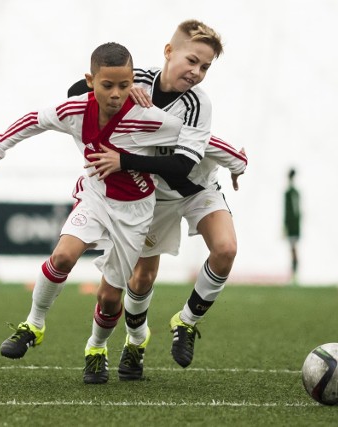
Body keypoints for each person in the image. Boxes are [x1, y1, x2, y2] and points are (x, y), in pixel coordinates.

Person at [0, 42, 201, 385]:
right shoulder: (74, 111)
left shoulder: (148, 119)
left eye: (125, 85)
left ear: (134, 82)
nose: (116, 94)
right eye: (108, 85)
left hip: (135, 213)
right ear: (90, 80)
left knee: (111, 295)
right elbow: (32, 120)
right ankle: (34, 324)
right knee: (63, 256)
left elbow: (199, 141)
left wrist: (236, 161)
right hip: (95, 199)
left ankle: (96, 348)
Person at [78, 20, 245, 378]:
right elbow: (79, 90)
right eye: (192, 60)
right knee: (141, 280)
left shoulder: (199, 104)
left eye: (205, 67)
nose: (197, 72)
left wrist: (123, 160)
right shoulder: (134, 78)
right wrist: (121, 93)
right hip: (154, 197)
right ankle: (135, 344)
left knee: (226, 249)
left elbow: (184, 164)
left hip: (195, 189)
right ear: (169, 52)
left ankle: (186, 322)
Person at [283, 168, 301, 284]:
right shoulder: (294, 193)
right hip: (295, 225)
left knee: (293, 250)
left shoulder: (290, 193)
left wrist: (285, 226)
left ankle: (294, 275)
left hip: (292, 226)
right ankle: (294, 274)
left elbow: (289, 212)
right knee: (293, 249)